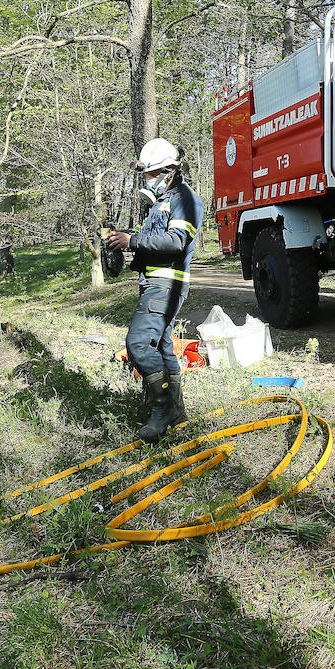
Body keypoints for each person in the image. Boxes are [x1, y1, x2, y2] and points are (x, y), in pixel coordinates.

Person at [106, 138, 204, 444]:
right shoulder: (162, 202)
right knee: (162, 346)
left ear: (170, 170)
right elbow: (156, 238)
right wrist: (126, 238)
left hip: (166, 285)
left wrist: (132, 242)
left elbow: (176, 242)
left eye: (152, 173)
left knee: (137, 344)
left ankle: (161, 409)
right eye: (146, 174)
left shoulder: (185, 199)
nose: (148, 180)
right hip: (154, 282)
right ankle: (176, 414)